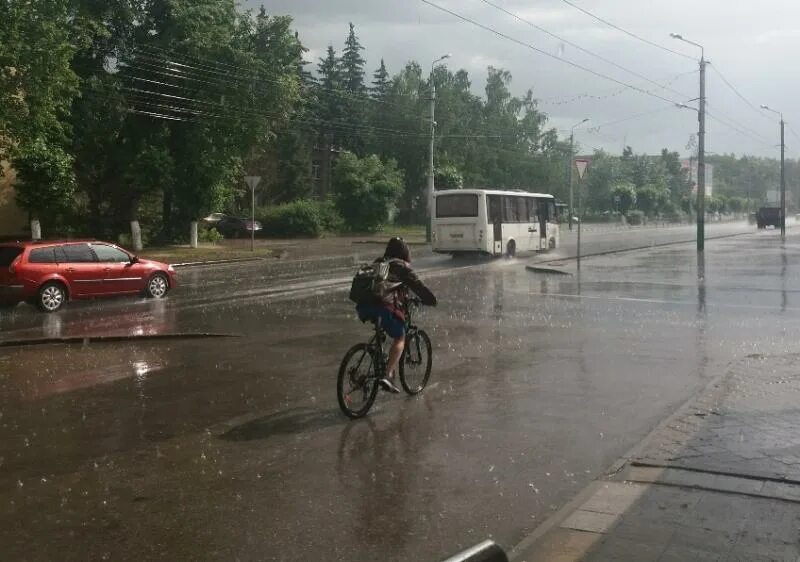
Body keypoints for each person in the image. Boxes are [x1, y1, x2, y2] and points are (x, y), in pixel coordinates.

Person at [356, 237, 437, 393]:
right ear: (404, 251)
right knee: (400, 337)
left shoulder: (378, 262)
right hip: (383, 306)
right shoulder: (401, 267)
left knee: (382, 334)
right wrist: (431, 300)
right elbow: (419, 287)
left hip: (364, 306)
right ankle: (386, 376)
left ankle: (376, 366)